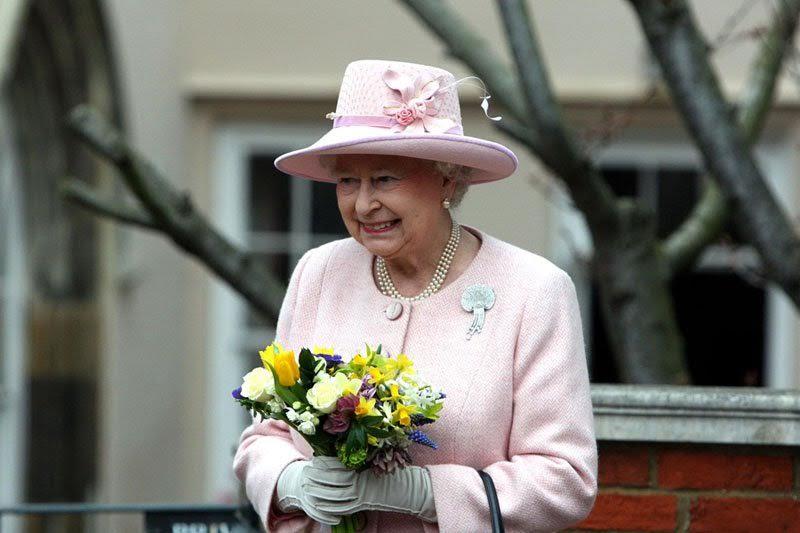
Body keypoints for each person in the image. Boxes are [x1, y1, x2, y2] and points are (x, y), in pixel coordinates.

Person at [233, 59, 597, 532]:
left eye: (384, 178)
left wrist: (428, 493)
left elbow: (565, 479)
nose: (363, 205)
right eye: (348, 181)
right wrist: (289, 480)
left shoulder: (533, 290)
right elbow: (265, 437)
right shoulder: (319, 272)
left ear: (448, 177)